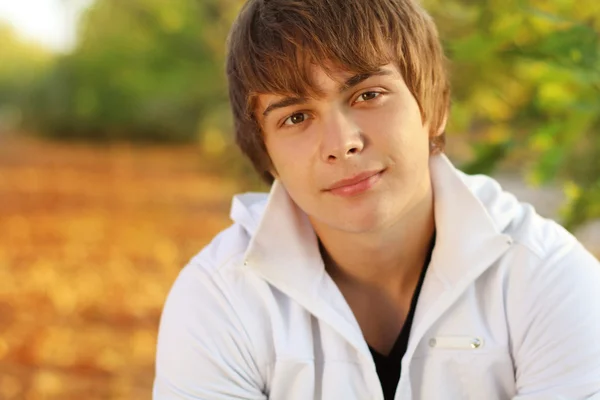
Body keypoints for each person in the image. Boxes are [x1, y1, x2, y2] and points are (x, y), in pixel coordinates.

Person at [153, 0, 600, 398]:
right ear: (265, 153)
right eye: (296, 117)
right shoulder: (220, 299)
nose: (342, 142)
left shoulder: (546, 276)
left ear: (435, 107)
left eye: (368, 94)